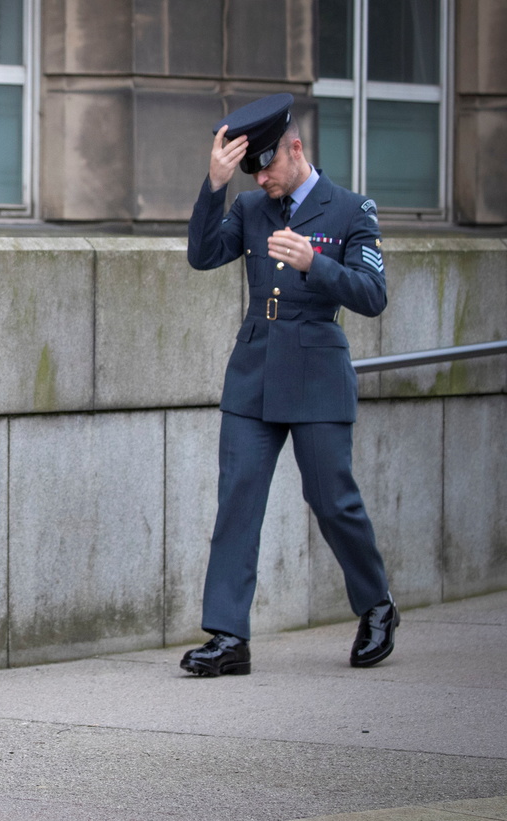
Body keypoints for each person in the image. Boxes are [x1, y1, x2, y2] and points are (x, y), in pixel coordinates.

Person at [182, 93, 399, 677]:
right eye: (251, 171)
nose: (262, 179)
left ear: (295, 149)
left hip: (316, 372)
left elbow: (373, 295)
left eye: (268, 166)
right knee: (238, 501)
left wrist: (314, 264)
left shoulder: (351, 209)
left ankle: (376, 604)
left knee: (333, 500)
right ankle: (228, 636)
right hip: (253, 373)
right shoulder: (251, 207)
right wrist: (215, 185)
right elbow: (202, 255)